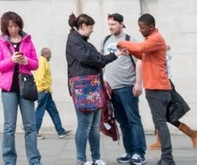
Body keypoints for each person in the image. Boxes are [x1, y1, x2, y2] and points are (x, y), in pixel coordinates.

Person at [118, 14, 175, 165]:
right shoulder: (150, 40)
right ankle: (166, 157)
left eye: (143, 28)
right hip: (154, 87)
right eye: (139, 27)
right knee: (159, 123)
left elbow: (141, 48)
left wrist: (124, 43)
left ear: (151, 26)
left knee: (160, 123)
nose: (140, 30)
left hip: (158, 88)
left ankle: (168, 158)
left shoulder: (155, 38)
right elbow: (142, 54)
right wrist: (129, 50)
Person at [66, 13, 117, 165]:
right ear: (83, 26)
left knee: (94, 125)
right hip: (83, 87)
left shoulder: (82, 41)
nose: (92, 30)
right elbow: (88, 58)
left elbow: (96, 59)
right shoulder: (74, 40)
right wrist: (112, 56)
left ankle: (96, 157)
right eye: (91, 27)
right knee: (84, 124)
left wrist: (109, 57)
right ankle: (81, 159)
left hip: (93, 86)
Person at [0, 11, 41, 165]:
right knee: (9, 127)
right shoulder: (0, 42)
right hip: (8, 90)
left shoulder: (27, 40)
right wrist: (11, 60)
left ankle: (34, 160)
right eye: (11, 26)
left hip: (26, 87)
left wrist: (26, 61)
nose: (14, 29)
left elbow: (36, 63)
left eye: (16, 25)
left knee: (30, 127)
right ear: (5, 28)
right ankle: (9, 161)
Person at [101, 13, 147, 165]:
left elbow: (139, 61)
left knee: (134, 121)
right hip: (111, 89)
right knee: (123, 122)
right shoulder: (106, 40)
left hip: (127, 87)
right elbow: (102, 62)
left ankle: (139, 153)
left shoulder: (129, 40)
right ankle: (129, 151)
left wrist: (138, 83)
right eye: (109, 25)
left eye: (113, 24)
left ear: (121, 24)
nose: (110, 27)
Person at [33, 47, 71, 139]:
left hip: (46, 92)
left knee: (54, 112)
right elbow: (41, 78)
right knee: (39, 112)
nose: (51, 56)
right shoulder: (42, 62)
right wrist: (45, 88)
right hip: (44, 91)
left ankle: (61, 131)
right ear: (45, 54)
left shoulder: (43, 62)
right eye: (50, 54)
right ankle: (34, 132)